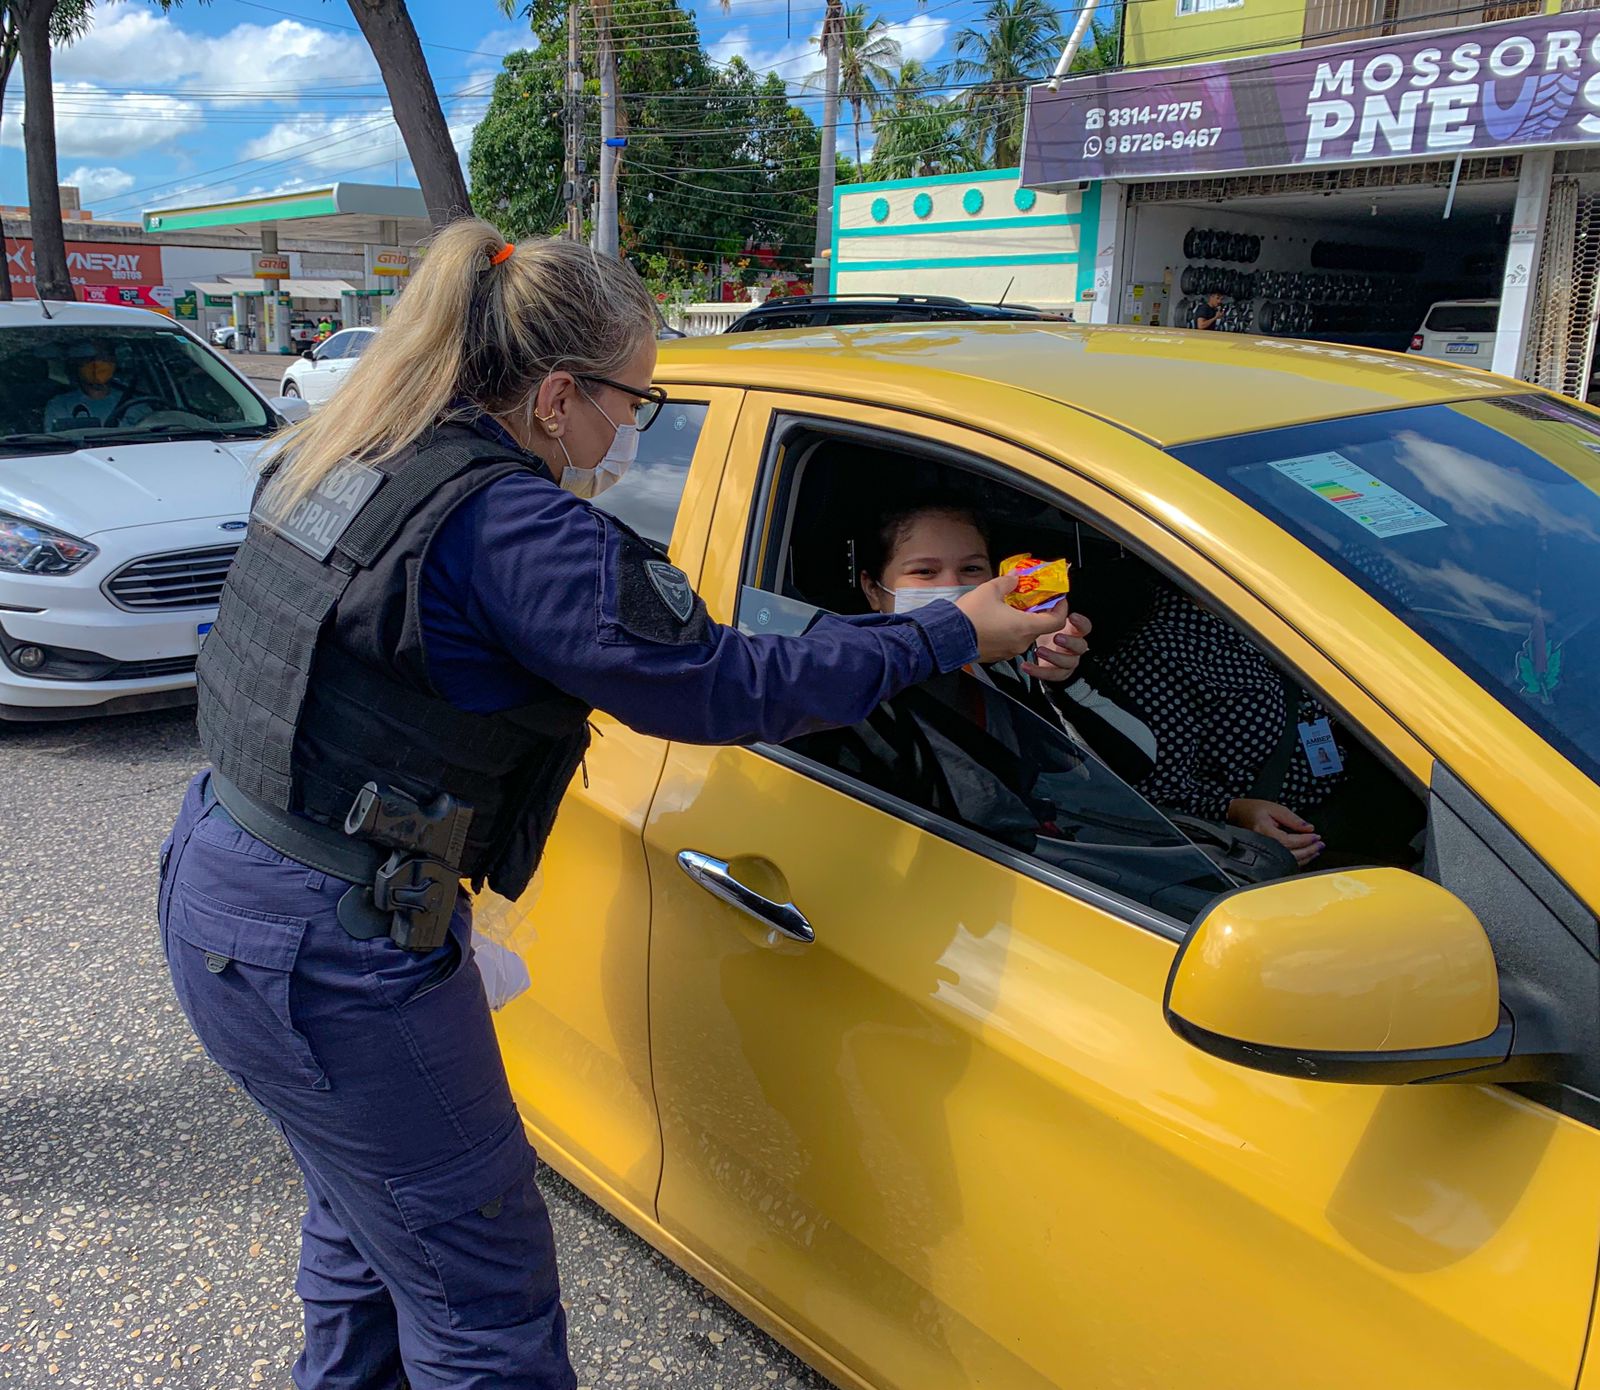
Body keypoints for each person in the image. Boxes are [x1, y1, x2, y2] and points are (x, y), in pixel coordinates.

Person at [158, 220, 1067, 1390]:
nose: (629, 432)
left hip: (231, 883)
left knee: (370, 1225)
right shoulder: (509, 528)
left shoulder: (358, 450)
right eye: (632, 402)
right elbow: (727, 684)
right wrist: (951, 627)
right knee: (482, 1304)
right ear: (553, 396)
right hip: (332, 951)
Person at [854, 495, 1157, 783]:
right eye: (925, 572)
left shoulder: (1011, 663)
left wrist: (1065, 679)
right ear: (873, 590)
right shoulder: (854, 677)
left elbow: (1135, 763)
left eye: (971, 569)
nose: (952, 585)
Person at [1099, 585, 1347, 868]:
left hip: (1346, 785)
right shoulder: (1161, 655)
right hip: (1284, 839)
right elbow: (1156, 796)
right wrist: (1235, 812)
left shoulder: (1271, 617)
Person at [43, 340, 150, 432]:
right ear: (76, 364)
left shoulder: (135, 403)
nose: (97, 364)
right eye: (89, 359)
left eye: (104, 358)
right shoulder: (60, 405)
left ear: (114, 362)